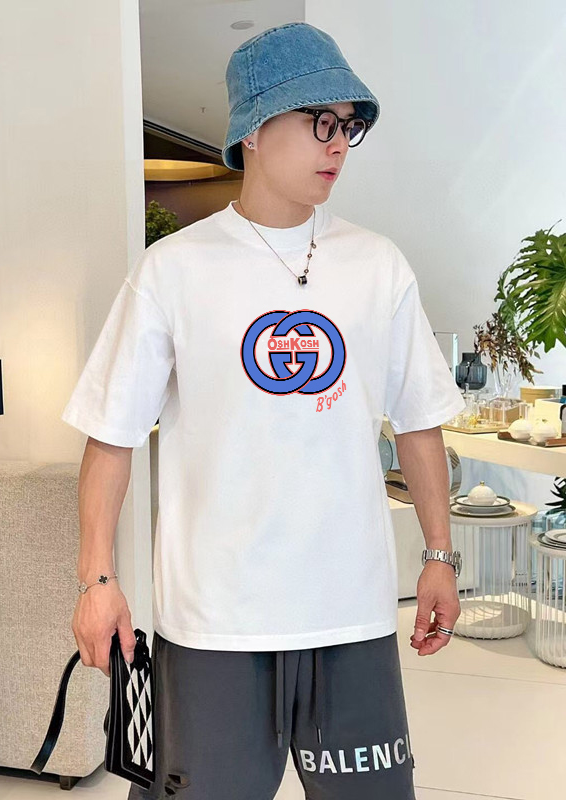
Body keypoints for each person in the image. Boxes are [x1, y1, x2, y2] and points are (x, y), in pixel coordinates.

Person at [62, 22, 466, 800]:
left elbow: (419, 420)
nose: (338, 143)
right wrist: (96, 579)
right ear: (252, 130)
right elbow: (111, 436)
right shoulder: (173, 271)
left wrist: (440, 556)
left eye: (349, 126)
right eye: (319, 121)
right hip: (214, 621)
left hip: (350, 614)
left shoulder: (378, 265)